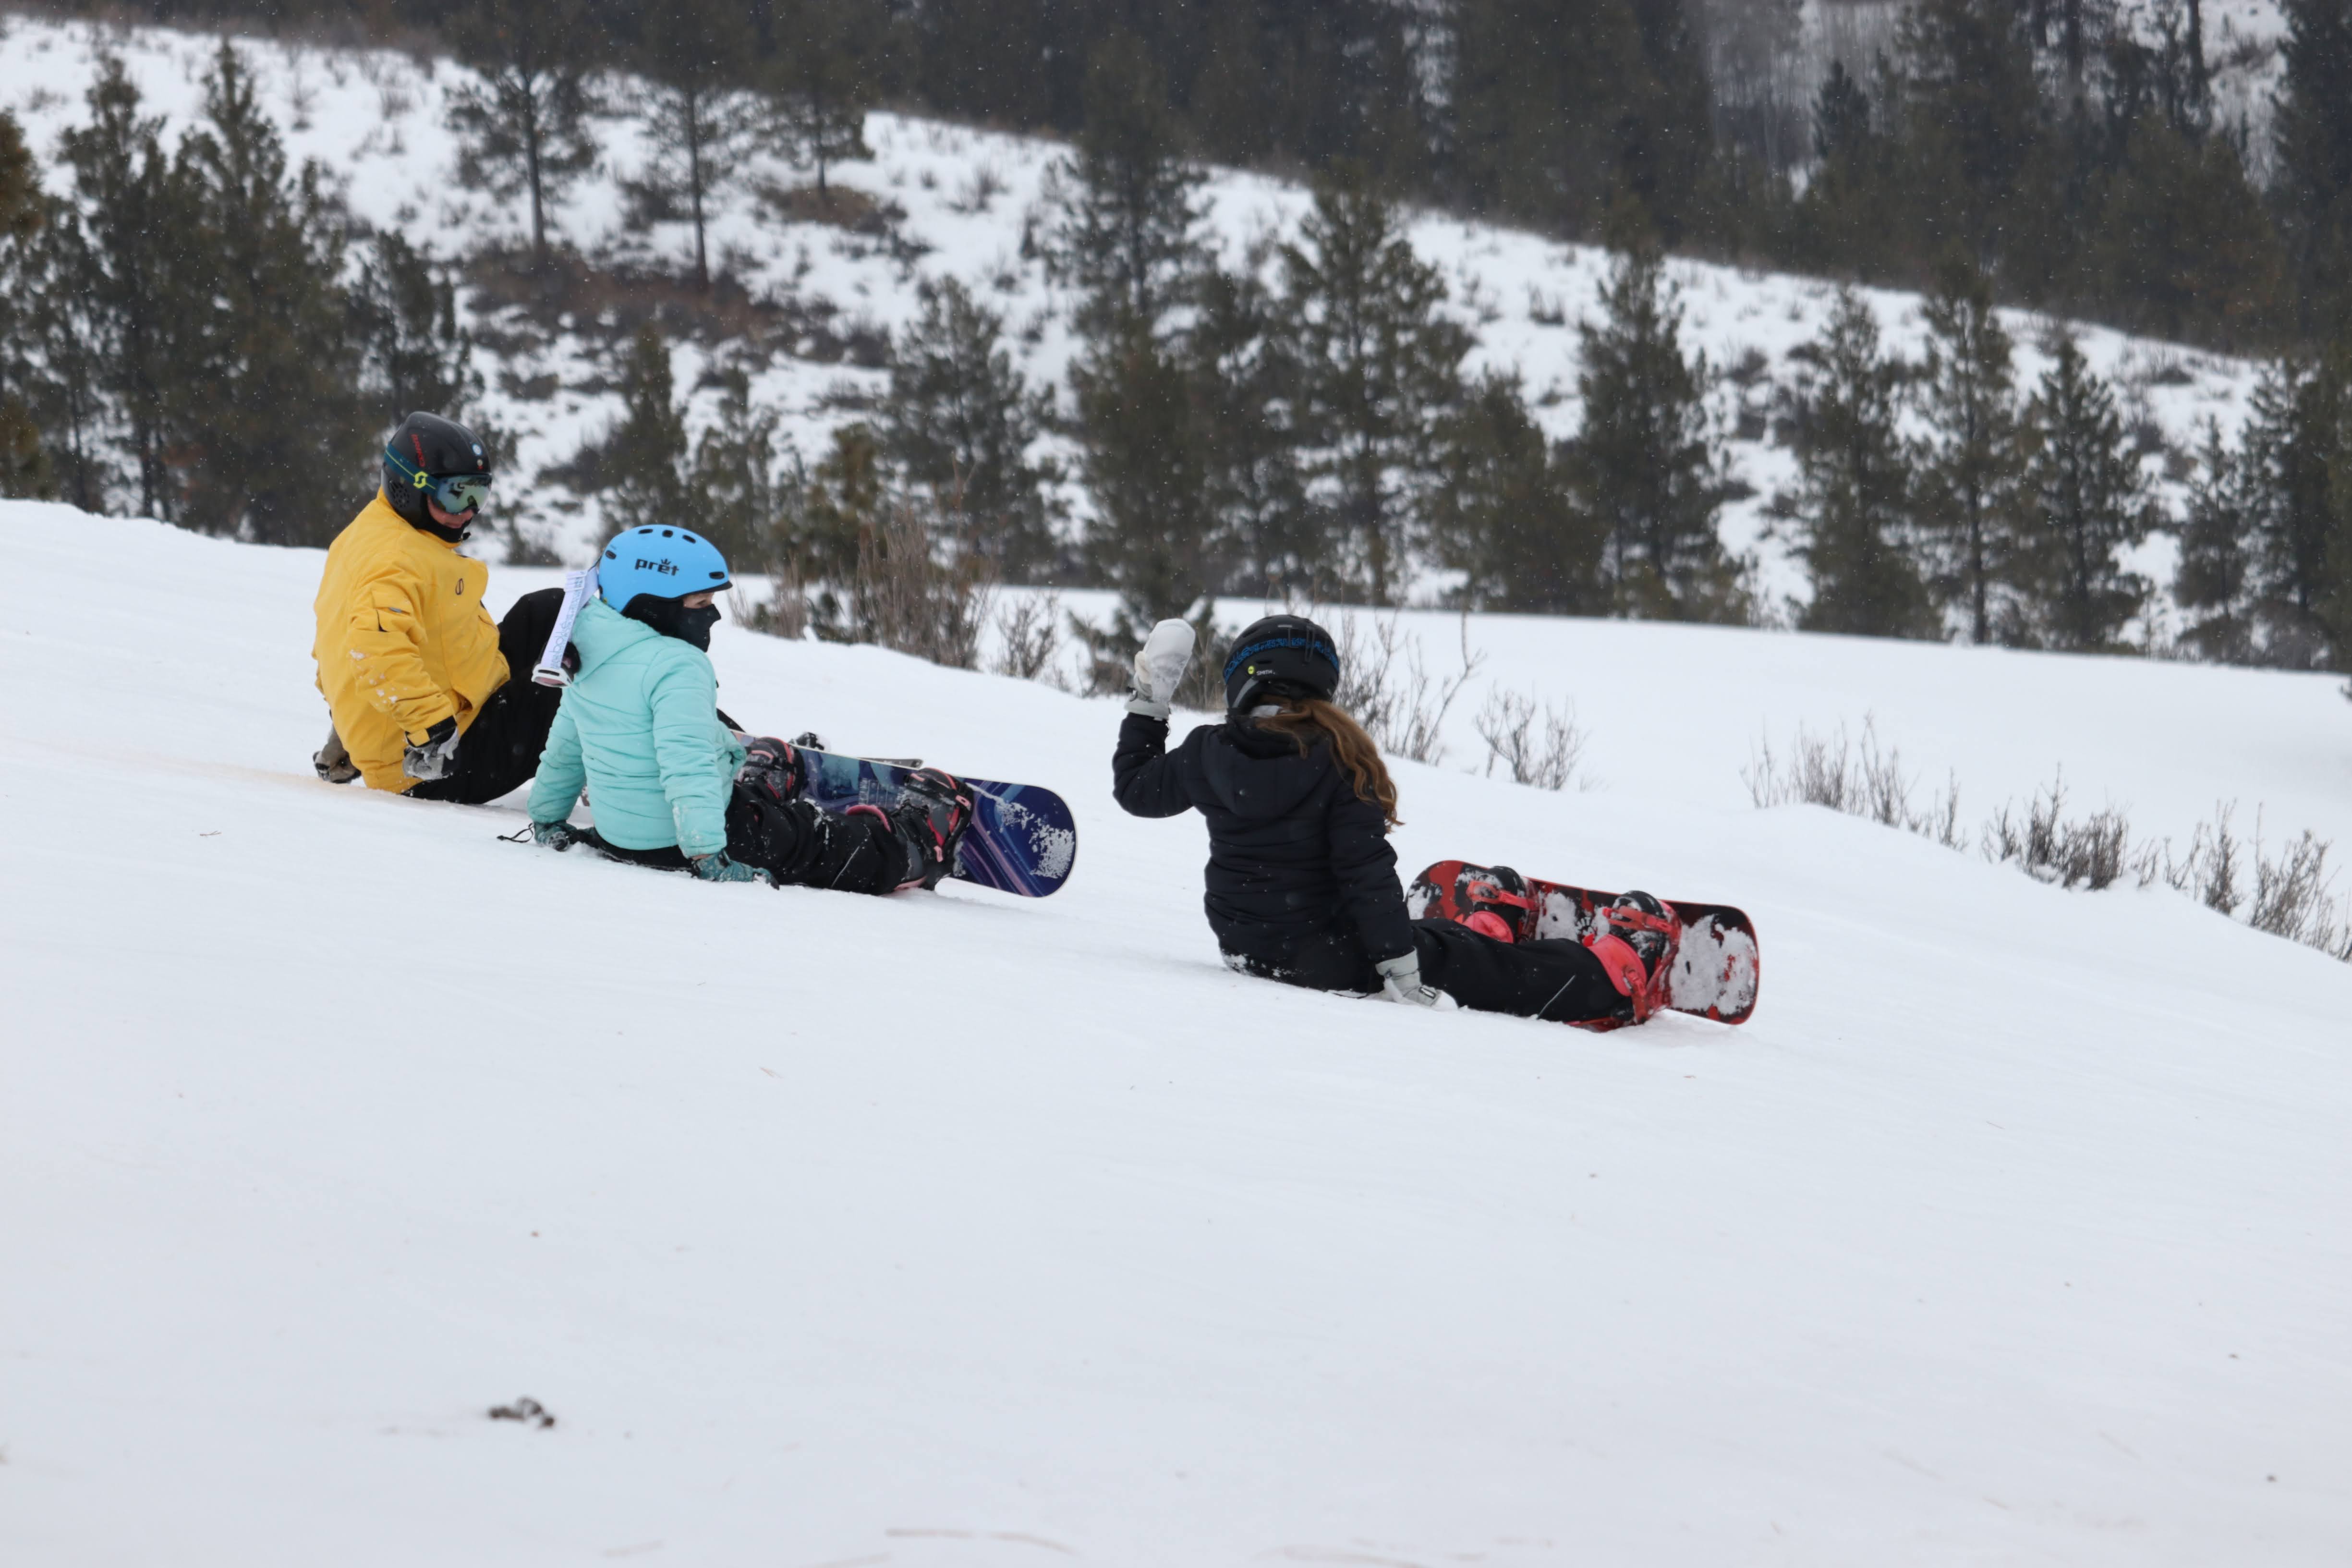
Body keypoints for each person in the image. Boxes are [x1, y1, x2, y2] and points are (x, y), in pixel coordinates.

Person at [1111, 613, 1682, 1027]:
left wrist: (1150, 698)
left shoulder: (1206, 751)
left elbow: (1135, 789)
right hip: (1332, 961)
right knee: (1488, 971)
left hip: (1246, 948)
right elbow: (1365, 876)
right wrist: (1402, 973)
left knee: (1443, 943)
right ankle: (1614, 976)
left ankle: (1476, 932)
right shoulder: (1334, 761)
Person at [524, 525, 974, 895]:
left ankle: (757, 788)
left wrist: (546, 818)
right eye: (700, 605)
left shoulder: (584, 652)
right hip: (691, 839)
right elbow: (688, 765)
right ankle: (911, 844)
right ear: (653, 608)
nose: (712, 617)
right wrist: (707, 855)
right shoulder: (678, 665)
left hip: (618, 835)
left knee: (736, 790)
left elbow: (565, 748)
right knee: (817, 842)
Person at [311, 412, 566, 802]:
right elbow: (373, 650)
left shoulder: (375, 532)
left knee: (555, 611)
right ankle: (627, 792)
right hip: (435, 765)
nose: (467, 511)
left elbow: (337, 642)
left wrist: (347, 728)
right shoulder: (395, 561)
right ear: (407, 487)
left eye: (478, 495)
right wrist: (432, 731)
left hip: (460, 702)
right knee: (564, 699)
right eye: (455, 494)